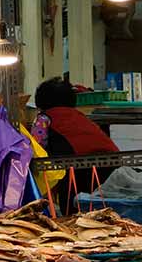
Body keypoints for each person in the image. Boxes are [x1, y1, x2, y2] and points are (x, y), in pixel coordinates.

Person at [31, 76, 119, 214]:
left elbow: (37, 147)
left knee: (72, 213)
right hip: (110, 164)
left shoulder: (43, 118)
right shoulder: (80, 116)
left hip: (75, 168)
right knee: (100, 210)